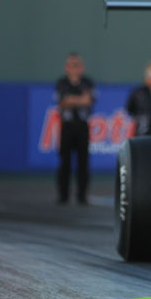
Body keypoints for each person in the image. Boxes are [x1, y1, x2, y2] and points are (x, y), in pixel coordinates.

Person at [54, 53, 95, 205]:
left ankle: (82, 196)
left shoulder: (87, 83)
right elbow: (62, 102)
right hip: (67, 126)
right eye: (71, 65)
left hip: (82, 126)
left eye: (77, 65)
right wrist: (79, 100)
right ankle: (63, 195)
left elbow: (88, 100)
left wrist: (71, 99)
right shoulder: (62, 83)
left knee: (83, 162)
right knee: (64, 161)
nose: (74, 68)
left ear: (82, 67)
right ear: (66, 68)